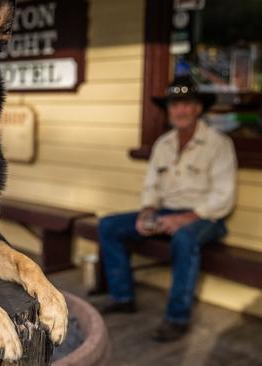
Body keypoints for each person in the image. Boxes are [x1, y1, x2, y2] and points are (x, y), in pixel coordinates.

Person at [97, 76, 238, 342]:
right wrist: (147, 212)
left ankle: (177, 318)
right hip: (166, 213)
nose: (180, 110)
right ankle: (123, 297)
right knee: (108, 225)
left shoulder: (218, 143)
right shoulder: (164, 144)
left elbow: (224, 196)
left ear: (198, 108)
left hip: (205, 216)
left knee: (184, 239)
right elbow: (151, 186)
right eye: (175, 105)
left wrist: (185, 218)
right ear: (169, 110)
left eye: (186, 104)